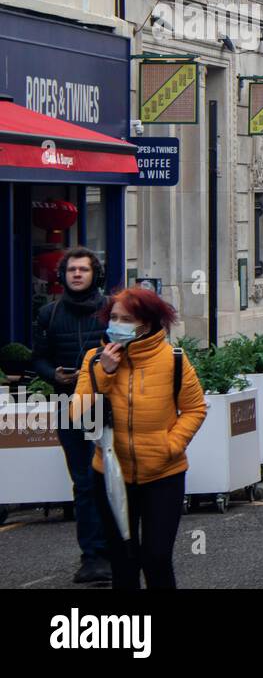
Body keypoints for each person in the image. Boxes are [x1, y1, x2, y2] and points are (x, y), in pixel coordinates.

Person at [72, 286, 206, 589]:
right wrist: (104, 373)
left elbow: (195, 408)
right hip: (110, 475)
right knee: (123, 561)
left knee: (156, 557)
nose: (116, 324)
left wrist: (170, 446)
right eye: (113, 317)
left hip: (163, 473)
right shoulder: (94, 360)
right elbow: (78, 414)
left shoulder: (173, 359)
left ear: (145, 323)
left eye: (126, 319)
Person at [31, 248, 111, 584]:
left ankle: (117, 551)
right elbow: (38, 359)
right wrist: (54, 376)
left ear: (95, 275)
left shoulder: (111, 311)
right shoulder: (49, 314)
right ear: (62, 275)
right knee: (83, 482)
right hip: (70, 407)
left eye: (84, 269)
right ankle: (92, 558)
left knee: (112, 480)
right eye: (71, 270)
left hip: (108, 406)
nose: (77, 275)